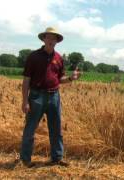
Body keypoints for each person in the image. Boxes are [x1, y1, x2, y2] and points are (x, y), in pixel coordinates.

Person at [20, 27, 81, 168]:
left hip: (54, 96)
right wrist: (25, 101)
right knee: (30, 129)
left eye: (54, 38)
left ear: (57, 41)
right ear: (44, 39)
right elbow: (26, 80)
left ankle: (57, 158)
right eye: (49, 37)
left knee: (56, 129)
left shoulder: (59, 58)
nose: (51, 40)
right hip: (36, 96)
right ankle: (25, 160)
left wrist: (71, 78)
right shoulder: (33, 56)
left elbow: (60, 79)